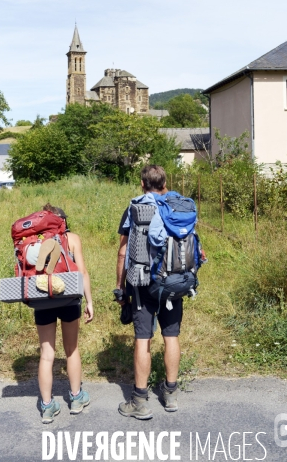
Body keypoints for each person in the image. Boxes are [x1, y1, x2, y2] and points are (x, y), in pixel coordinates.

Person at [115, 165, 182, 420]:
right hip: (173, 281)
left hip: (142, 284)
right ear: (164, 183)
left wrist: (120, 287)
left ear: (142, 184)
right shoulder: (176, 207)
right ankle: (171, 394)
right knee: (171, 335)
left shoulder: (135, 207)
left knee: (143, 338)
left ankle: (140, 400)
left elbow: (123, 252)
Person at [31, 203, 94, 424]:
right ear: (63, 221)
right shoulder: (72, 239)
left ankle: (47, 407)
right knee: (71, 349)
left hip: (42, 299)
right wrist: (90, 301)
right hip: (69, 299)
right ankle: (76, 398)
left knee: (47, 355)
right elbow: (83, 272)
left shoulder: (35, 241)